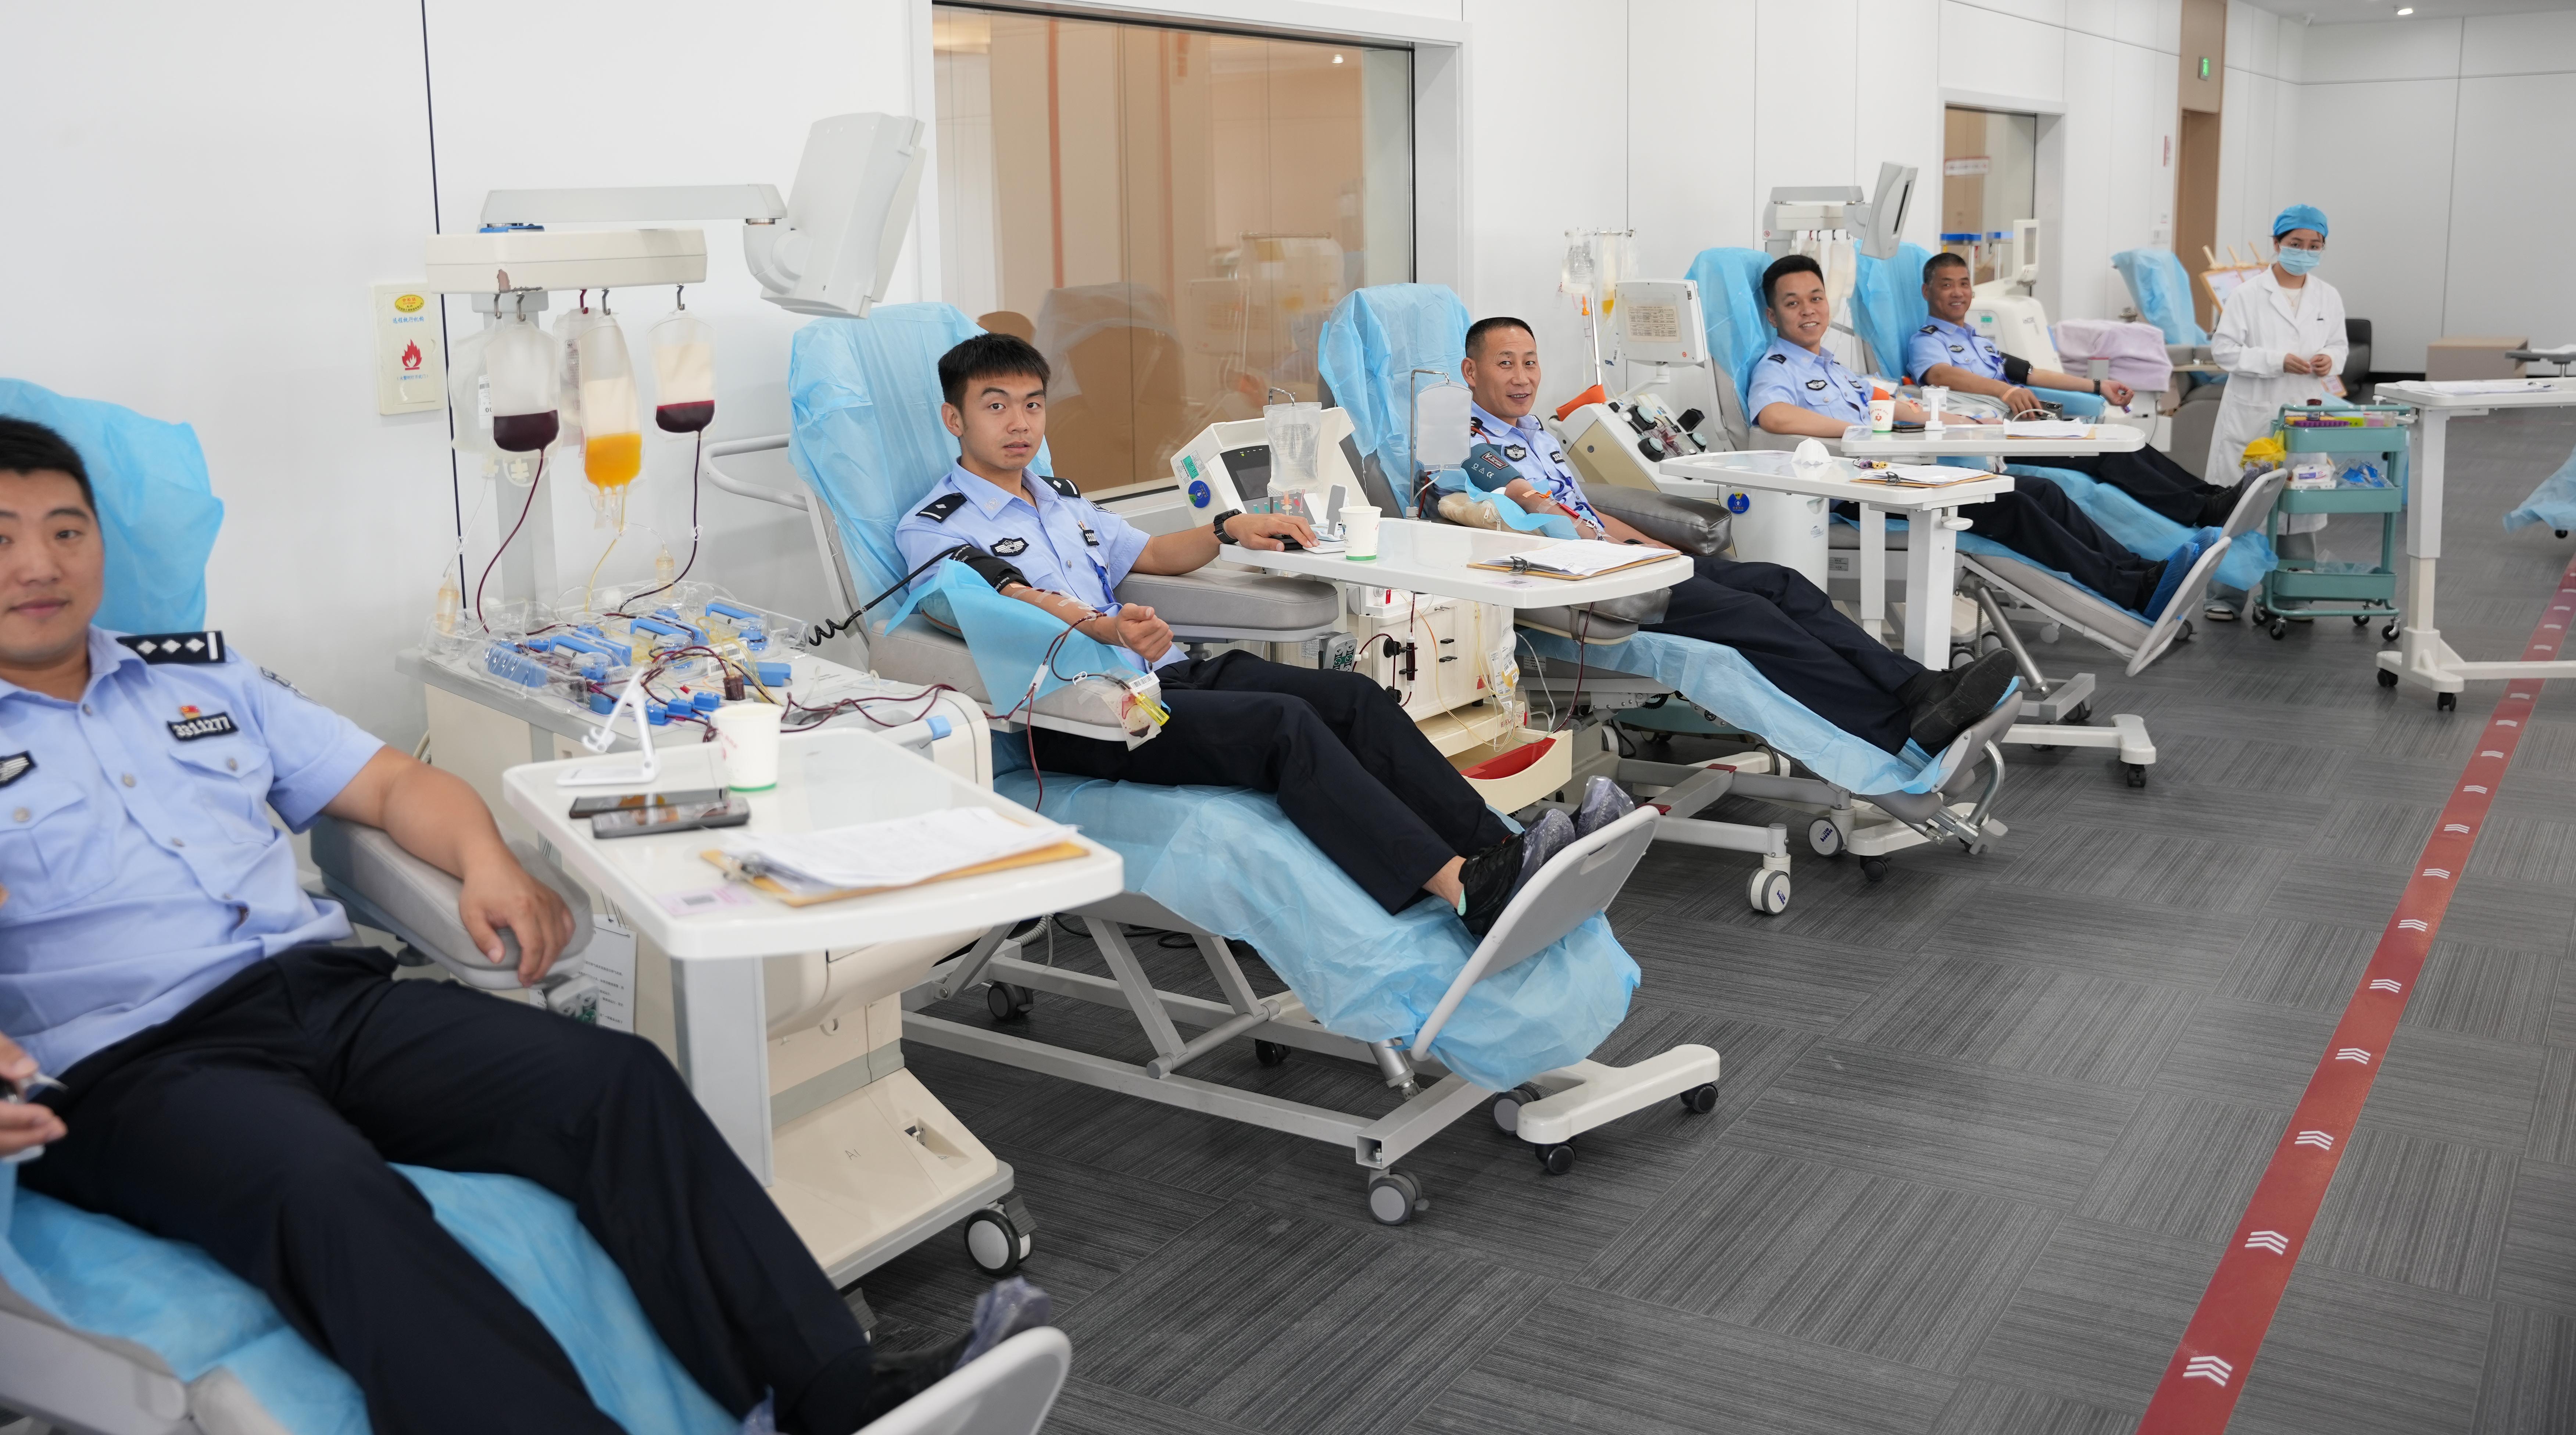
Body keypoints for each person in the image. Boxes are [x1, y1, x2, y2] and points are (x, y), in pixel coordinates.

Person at [0, 415, 1045, 1435]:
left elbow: (396, 785)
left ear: (99, 545)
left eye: (65, 529)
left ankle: (838, 1398)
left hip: (327, 1003)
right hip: (135, 1067)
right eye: (2, 538)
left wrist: (487, 861)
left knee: (616, 1082)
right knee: (327, 1187)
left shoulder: (200, 678)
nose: (39, 564)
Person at [895, 332, 1553, 939]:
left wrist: (1228, 527)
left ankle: (1503, 852)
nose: (1019, 423)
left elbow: (1150, 552)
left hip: (1162, 678)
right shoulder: (934, 527)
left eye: (1032, 405)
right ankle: (1458, 887)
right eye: (996, 406)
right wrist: (1104, 627)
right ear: (955, 419)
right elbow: (1001, 603)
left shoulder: (1060, 501)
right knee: (1284, 724)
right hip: (1084, 714)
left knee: (1355, 698)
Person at [1455, 317, 2015, 757]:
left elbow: (1586, 509)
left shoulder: (1536, 432)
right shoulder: (1470, 445)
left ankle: (1920, 688)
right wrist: (1623, 554)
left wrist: (1653, 546)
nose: (1523, 377)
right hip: (1592, 582)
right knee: (1755, 619)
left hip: (1626, 561)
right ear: (1471, 372)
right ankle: (1896, 729)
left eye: (1530, 362)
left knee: (1783, 585)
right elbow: (1542, 511)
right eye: (1506, 364)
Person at [1748, 254, 2216, 619]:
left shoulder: (1836, 367)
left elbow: (1891, 405)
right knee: (2013, 505)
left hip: (1896, 477)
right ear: (1773, 316)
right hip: (1860, 493)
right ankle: (2131, 591)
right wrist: (1859, 430)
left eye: (1816, 298)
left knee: (2043, 492)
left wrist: (1959, 422)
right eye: (1793, 303)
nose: (1808, 311)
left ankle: (2141, 572)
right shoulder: (1777, 368)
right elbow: (1774, 416)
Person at [1905, 251, 2248, 529]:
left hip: (2025, 427)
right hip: (1995, 440)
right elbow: (1940, 374)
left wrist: (2099, 386)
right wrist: (2004, 392)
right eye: (1947, 285)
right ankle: (2199, 511)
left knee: (2123, 440)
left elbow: (2033, 374)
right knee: (2107, 454)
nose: (1958, 293)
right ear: (1926, 292)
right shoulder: (1927, 341)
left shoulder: (1980, 343)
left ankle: (2210, 496)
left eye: (1964, 284)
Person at [2206, 204, 2349, 487]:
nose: (2305, 252)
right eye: (2296, 244)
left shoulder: (2328, 296)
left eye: (2314, 246)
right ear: (2277, 244)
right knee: (2246, 499)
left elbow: (2338, 345)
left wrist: (2329, 359)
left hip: (2304, 409)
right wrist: (2276, 362)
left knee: (2300, 490)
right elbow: (2223, 350)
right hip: (2253, 412)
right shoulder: (2247, 294)